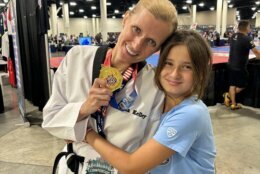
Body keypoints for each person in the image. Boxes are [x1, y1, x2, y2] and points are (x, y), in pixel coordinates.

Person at [42, 0, 178, 173]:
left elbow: (144, 154)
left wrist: (84, 133)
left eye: (151, 42)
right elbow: (51, 120)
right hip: (72, 167)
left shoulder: (154, 84)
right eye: (136, 29)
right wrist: (84, 108)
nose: (137, 45)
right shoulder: (77, 57)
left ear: (158, 48)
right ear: (126, 19)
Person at [85, 30, 216, 174]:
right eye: (168, 63)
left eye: (187, 67)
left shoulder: (191, 113)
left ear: (201, 72)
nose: (174, 74)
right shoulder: (157, 99)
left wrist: (86, 134)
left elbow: (131, 167)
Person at [223, 20, 260, 110]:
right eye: (249, 27)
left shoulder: (232, 36)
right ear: (247, 28)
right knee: (242, 85)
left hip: (230, 64)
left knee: (232, 84)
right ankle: (227, 95)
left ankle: (233, 104)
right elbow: (256, 52)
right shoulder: (247, 38)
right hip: (240, 67)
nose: (250, 29)